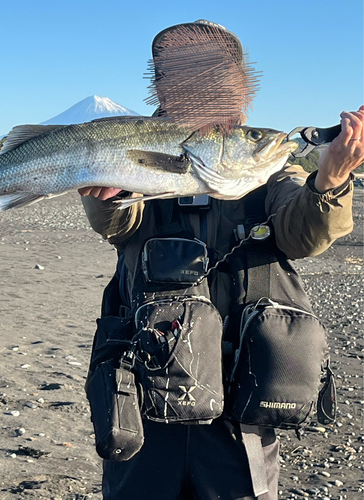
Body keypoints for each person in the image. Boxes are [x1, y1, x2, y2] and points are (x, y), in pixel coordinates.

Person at [79, 20, 364, 500]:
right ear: (163, 87)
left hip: (240, 399)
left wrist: (330, 180)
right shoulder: (140, 151)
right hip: (146, 388)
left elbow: (304, 235)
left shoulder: (270, 163)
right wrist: (104, 196)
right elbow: (116, 227)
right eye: (180, 77)